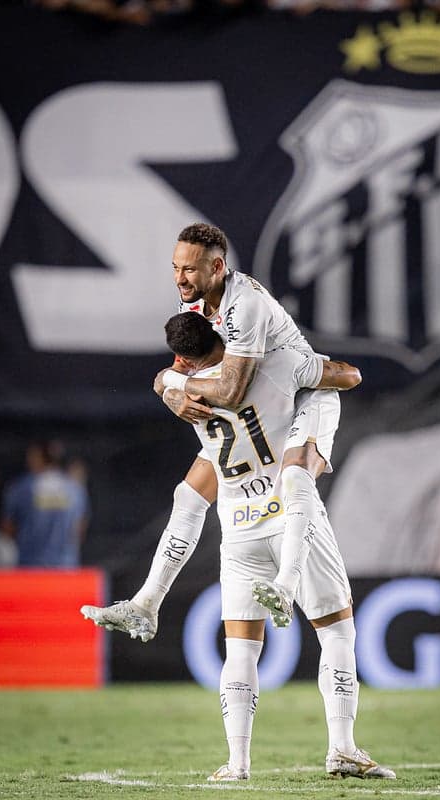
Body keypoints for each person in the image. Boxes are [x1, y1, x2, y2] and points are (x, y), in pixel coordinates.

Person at [82, 312, 395, 782]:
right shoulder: (276, 363)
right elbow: (347, 375)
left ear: (184, 357)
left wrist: (170, 382)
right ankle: (342, 748)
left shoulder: (184, 388)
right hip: (290, 517)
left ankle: (237, 763)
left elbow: (168, 378)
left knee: (241, 649)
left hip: (238, 526)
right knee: (336, 633)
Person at [156, 222, 346, 627]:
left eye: (188, 270)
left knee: (295, 480)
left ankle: (287, 585)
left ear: (218, 267)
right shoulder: (193, 306)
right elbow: (180, 367)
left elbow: (230, 392)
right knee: (188, 496)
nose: (179, 278)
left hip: (302, 392)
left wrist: (175, 385)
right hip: (262, 406)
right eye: (175, 267)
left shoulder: (245, 305)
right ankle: (146, 603)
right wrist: (169, 388)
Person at [1, 440, 90, 567]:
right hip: (65, 568)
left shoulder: (20, 488)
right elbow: (79, 530)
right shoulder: (75, 489)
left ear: (37, 457)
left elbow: (8, 528)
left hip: (30, 567)